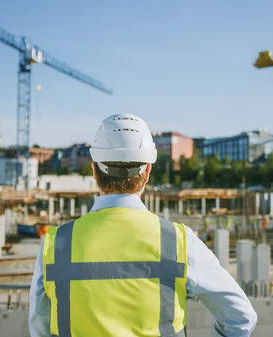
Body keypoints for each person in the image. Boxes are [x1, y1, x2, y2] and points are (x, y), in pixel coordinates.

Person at [29, 113, 257, 337]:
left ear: (94, 170)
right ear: (147, 171)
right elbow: (241, 317)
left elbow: (39, 328)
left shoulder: (56, 243)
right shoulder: (178, 241)